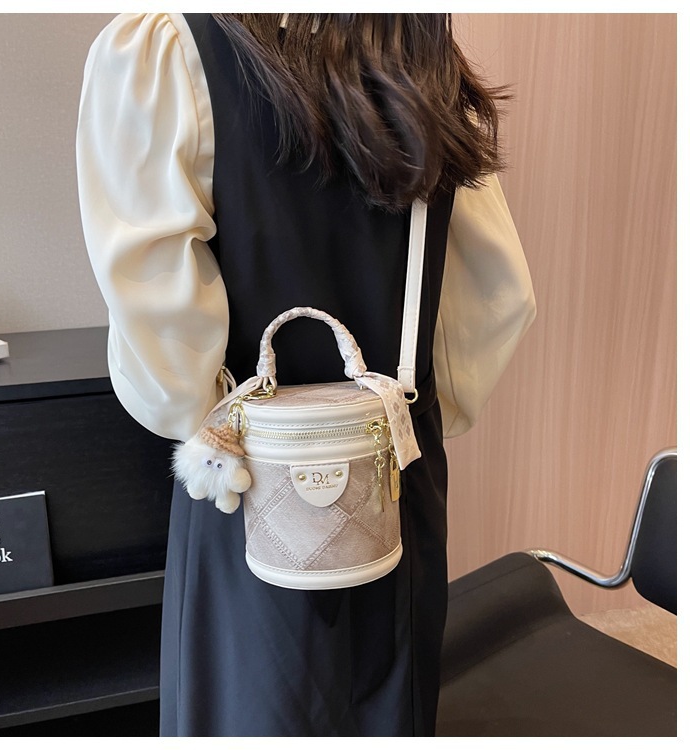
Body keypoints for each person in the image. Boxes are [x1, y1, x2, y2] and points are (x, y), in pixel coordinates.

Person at [77, 13, 535, 737]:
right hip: (396, 461)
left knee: (250, 708)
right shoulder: (420, 48)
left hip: (243, 470)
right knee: (391, 700)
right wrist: (410, 416)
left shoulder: (168, 46)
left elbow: (161, 332)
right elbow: (498, 297)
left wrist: (204, 417)